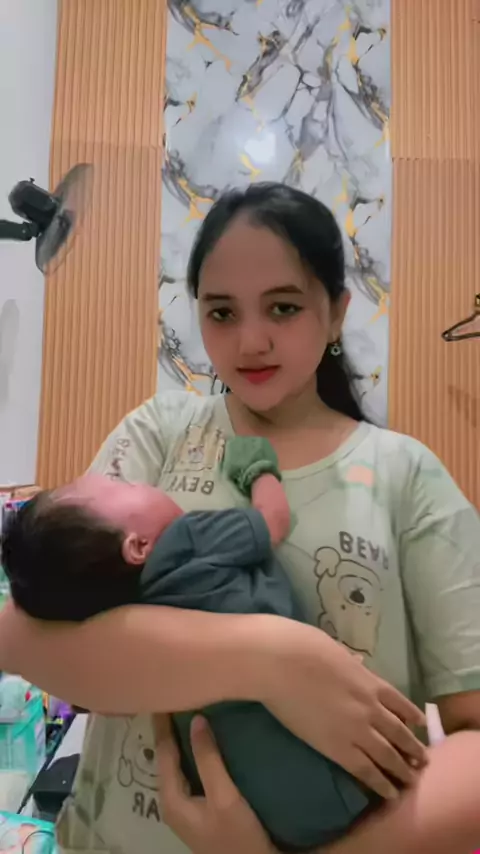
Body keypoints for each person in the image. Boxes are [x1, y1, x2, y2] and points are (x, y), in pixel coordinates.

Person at [0, 182, 479, 854]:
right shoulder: (162, 431)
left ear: (337, 313)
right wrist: (269, 660)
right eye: (221, 312)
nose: (250, 341)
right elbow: (22, 637)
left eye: (284, 307)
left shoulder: (407, 476)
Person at [3, 452, 388, 852]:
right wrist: (257, 468)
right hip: (327, 759)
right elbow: (272, 519)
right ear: (138, 545)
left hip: (250, 802)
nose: (144, 482)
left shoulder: (120, 613)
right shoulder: (189, 537)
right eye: (126, 486)